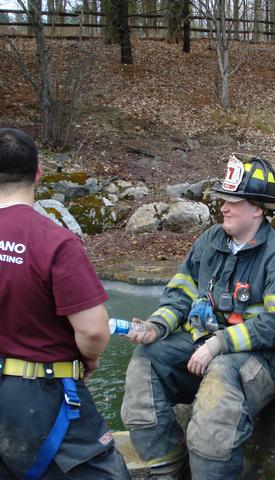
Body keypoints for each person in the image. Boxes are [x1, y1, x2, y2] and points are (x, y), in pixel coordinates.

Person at [121, 154, 275, 479]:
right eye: (223, 199)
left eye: (233, 201)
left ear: (259, 209)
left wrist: (217, 344)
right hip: (200, 348)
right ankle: (168, 467)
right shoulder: (209, 241)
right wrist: (156, 325)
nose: (223, 207)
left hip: (253, 365)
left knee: (216, 402)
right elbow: (180, 294)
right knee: (145, 361)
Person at [0, 128, 130, 479]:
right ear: (38, 173)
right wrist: (88, 358)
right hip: (42, 396)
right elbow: (92, 331)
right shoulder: (54, 242)